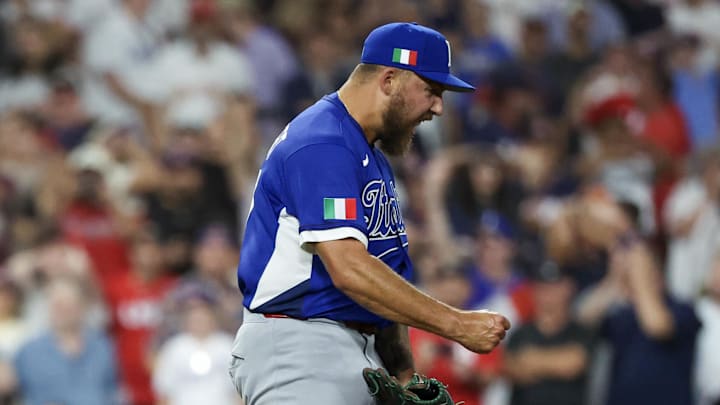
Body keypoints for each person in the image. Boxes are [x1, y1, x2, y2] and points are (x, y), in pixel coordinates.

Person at [229, 22, 511, 405]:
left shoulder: (368, 155)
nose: (439, 107)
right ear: (390, 79)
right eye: (431, 90)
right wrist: (457, 325)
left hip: (352, 351)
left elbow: (382, 274)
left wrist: (405, 374)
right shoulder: (322, 141)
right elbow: (350, 269)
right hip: (299, 346)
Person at [504, 260, 595, 405]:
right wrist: (555, 362)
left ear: (568, 288)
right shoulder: (520, 333)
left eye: (555, 287)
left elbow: (573, 363)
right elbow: (513, 370)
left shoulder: (581, 331)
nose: (548, 295)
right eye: (543, 288)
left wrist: (531, 359)